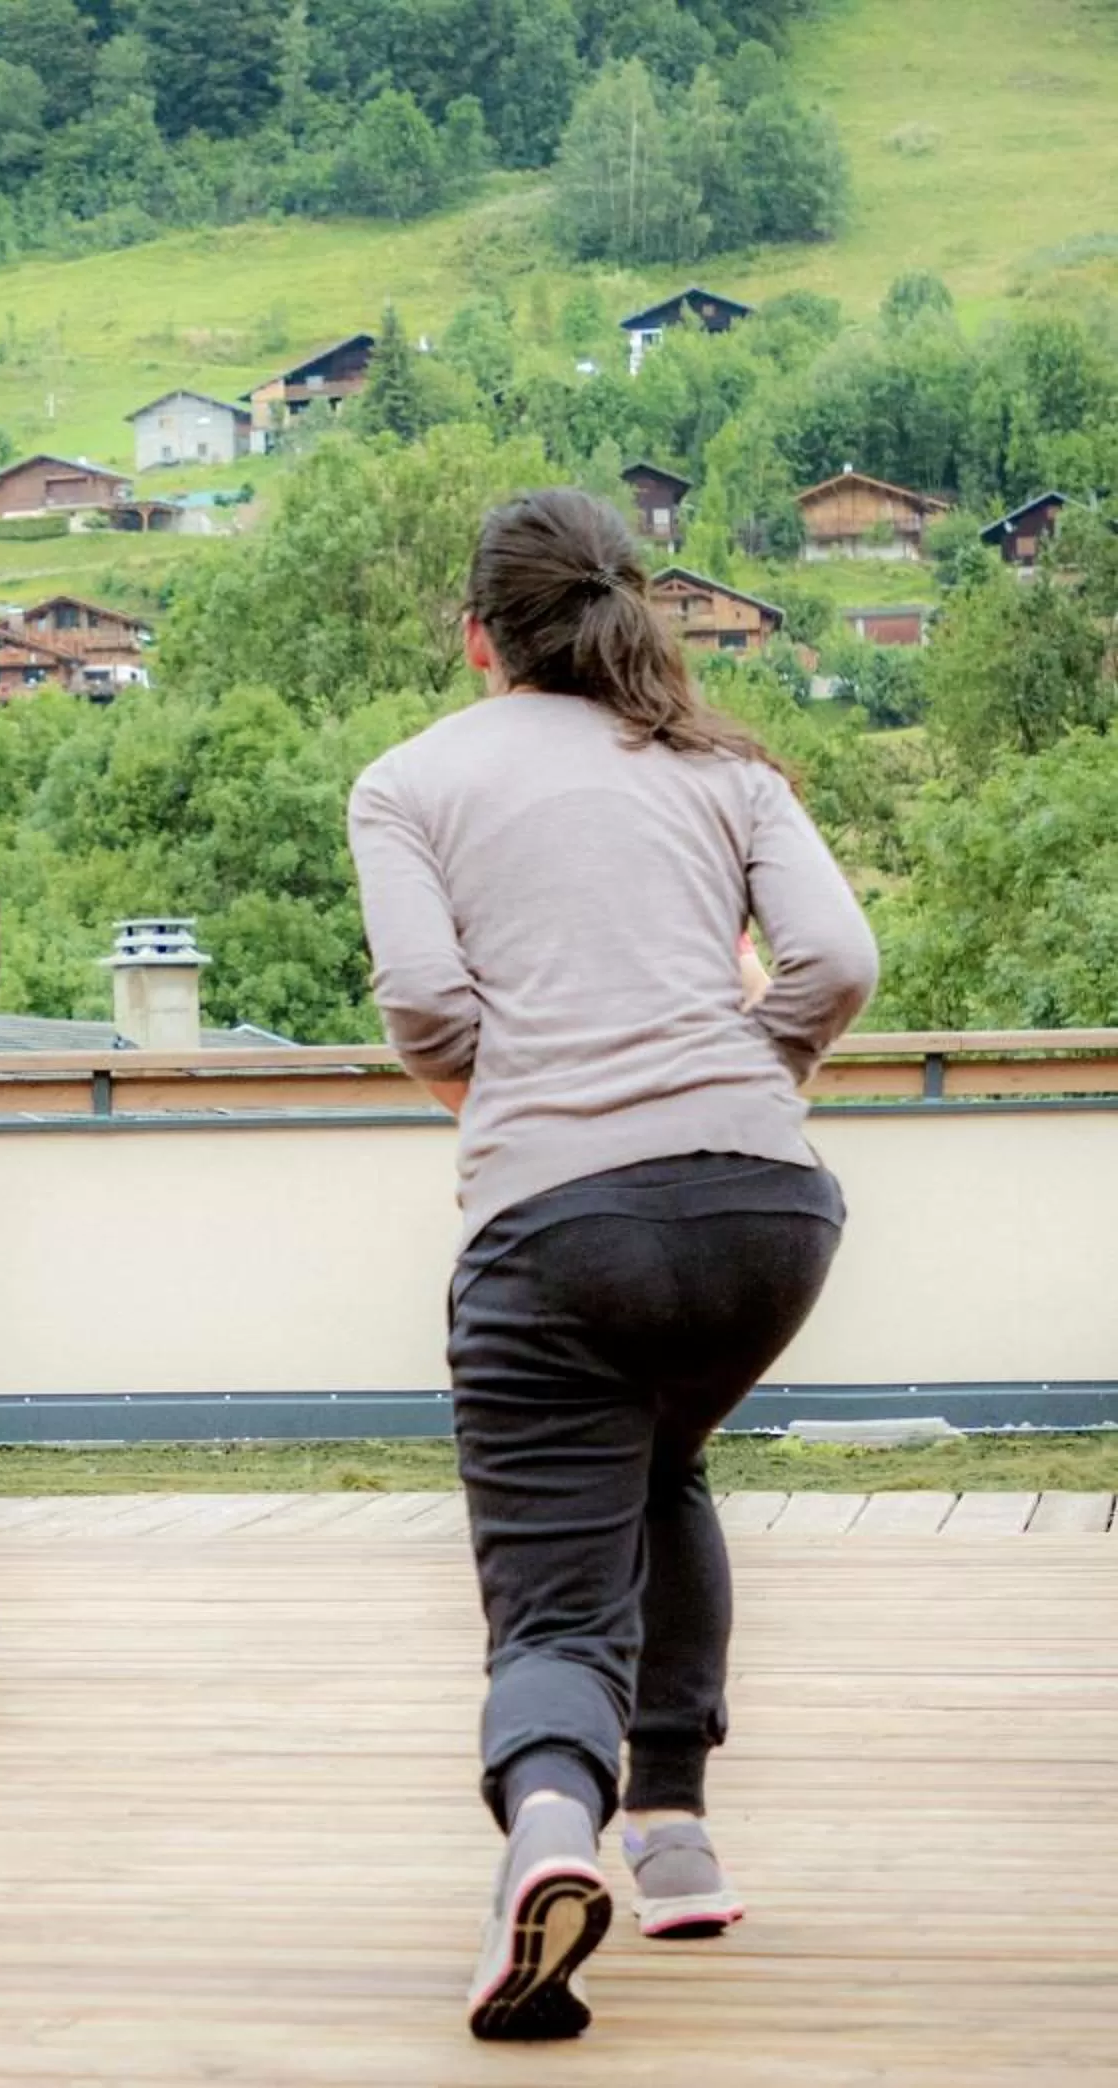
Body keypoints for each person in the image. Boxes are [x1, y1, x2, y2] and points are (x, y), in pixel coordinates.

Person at [346, 488, 878, 2043]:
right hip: (768, 1214)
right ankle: (677, 1831)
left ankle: (551, 1842)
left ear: (476, 639)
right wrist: (741, 1064)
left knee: (552, 1607)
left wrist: (529, 1097)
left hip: (560, 1230)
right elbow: (840, 963)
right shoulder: (725, 767)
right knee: (661, 1472)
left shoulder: (410, 779)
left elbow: (427, 1007)